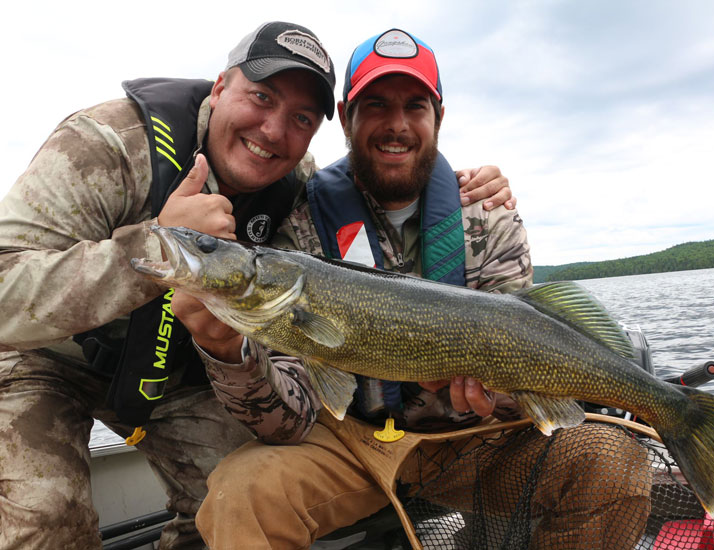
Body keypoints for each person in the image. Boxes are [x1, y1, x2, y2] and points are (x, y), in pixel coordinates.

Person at [0, 22, 512, 550]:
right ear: (220, 86)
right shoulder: (106, 144)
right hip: (44, 360)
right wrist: (149, 249)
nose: (273, 130)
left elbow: (388, 187)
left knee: (229, 499)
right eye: (261, 96)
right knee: (45, 516)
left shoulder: (299, 188)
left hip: (176, 374)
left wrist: (478, 183)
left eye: (301, 118)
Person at [178, 29, 652, 549]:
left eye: (415, 106)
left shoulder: (488, 217)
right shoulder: (297, 227)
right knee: (240, 493)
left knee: (613, 465)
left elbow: (528, 374)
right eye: (376, 104)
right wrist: (225, 349)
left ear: (438, 117)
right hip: (353, 443)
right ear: (347, 117)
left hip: (477, 443)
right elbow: (287, 421)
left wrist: (494, 399)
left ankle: (674, 411)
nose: (397, 125)